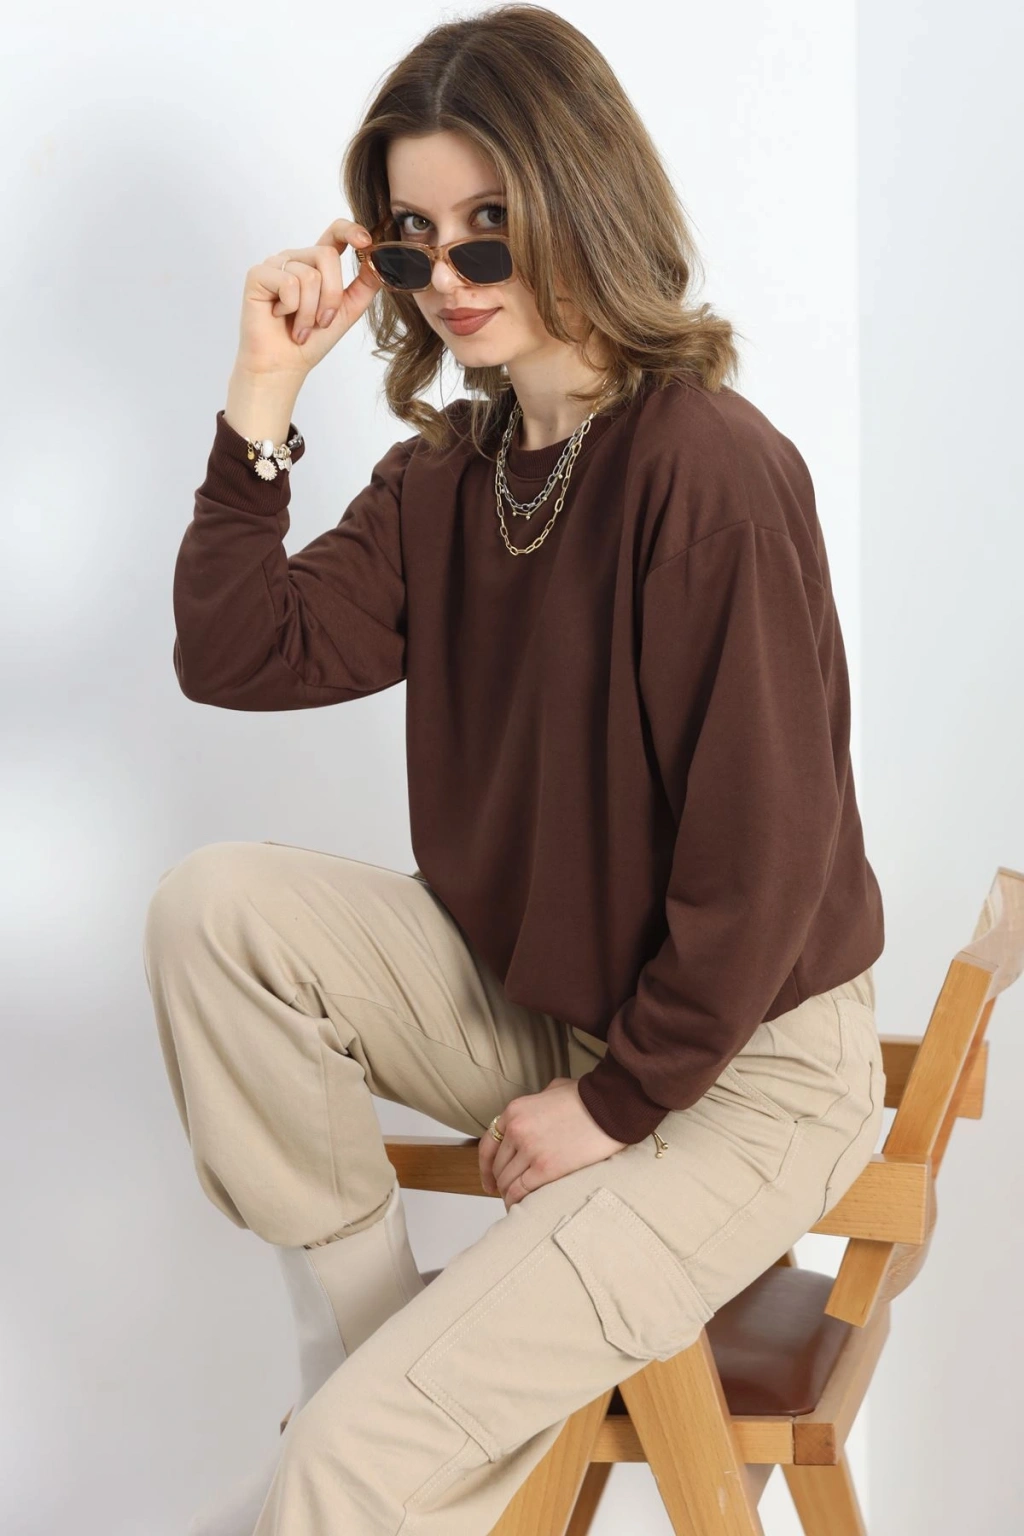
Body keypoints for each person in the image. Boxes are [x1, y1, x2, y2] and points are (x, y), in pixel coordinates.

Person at [142, 5, 886, 1533]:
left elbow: (764, 861)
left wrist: (618, 1105)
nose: (452, 274)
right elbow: (239, 654)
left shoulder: (710, 472)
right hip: (557, 1006)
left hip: (742, 1071)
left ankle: (361, 1445)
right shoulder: (453, 474)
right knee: (217, 909)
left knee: (340, 1467)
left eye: (491, 224)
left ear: (583, 200)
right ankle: (368, 1356)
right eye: (411, 238)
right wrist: (262, 394)